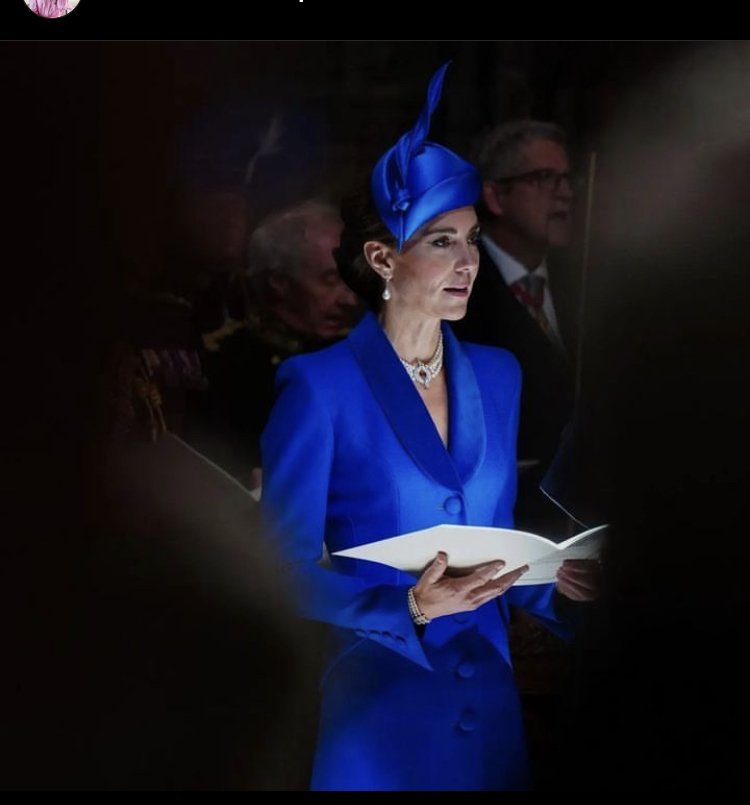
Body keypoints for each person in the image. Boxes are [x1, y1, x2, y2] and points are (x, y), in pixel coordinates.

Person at [260, 63, 597, 792]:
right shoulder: (319, 388)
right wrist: (408, 604)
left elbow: (495, 541)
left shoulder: (499, 374)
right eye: (441, 241)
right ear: (383, 258)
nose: (468, 261)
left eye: (472, 239)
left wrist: (559, 584)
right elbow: (278, 571)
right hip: (378, 706)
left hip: (489, 704)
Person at [452, 119, 579, 537]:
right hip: (503, 522)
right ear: (495, 195)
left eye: (566, 178)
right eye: (543, 178)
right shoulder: (457, 288)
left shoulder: (587, 280)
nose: (564, 192)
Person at [195, 199, 360, 486]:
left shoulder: (366, 359)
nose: (349, 300)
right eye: (330, 280)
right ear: (278, 282)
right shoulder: (228, 368)